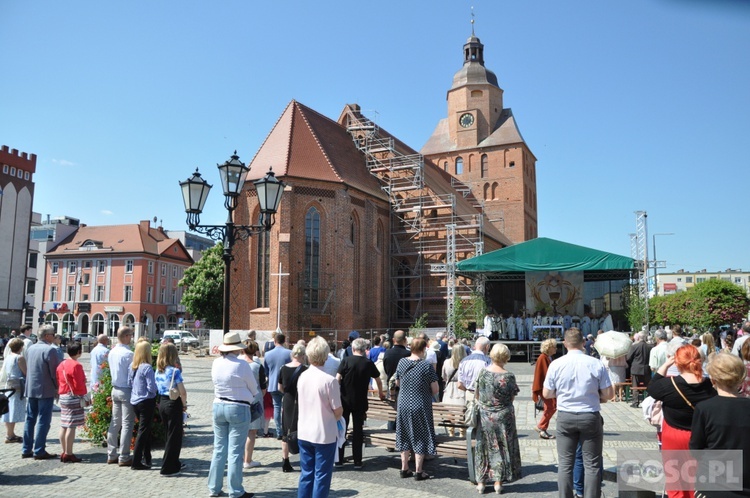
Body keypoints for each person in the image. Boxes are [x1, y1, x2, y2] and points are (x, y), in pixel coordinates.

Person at [543, 328, 614, 498]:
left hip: (566, 415)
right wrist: (597, 396)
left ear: (565, 344)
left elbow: (546, 393)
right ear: (583, 343)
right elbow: (609, 394)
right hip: (589, 414)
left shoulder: (556, 364)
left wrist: (561, 393)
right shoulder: (595, 363)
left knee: (565, 463)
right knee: (592, 464)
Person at [648, 345, 716, 498]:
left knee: (675, 478)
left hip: (674, 435)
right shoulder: (711, 385)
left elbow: (652, 388)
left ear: (677, 363)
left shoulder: (669, 385)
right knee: (699, 476)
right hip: (703, 436)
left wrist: (665, 365)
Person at [689, 353, 750, 496]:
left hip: (712, 484)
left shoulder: (704, 408)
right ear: (741, 378)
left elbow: (696, 449)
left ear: (713, 379)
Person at [207, 332, 259, 498]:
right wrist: (248, 398)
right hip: (238, 407)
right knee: (235, 451)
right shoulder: (242, 365)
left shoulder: (216, 363)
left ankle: (214, 488)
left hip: (218, 405)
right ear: (237, 348)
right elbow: (254, 388)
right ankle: (235, 490)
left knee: (219, 448)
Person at [296, 336, 343, 498]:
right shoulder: (329, 381)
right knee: (322, 476)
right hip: (324, 433)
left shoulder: (302, 376)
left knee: (306, 473)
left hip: (304, 431)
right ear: (325, 355)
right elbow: (337, 410)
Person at [473, 343, 522, 494]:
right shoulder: (508, 376)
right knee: (501, 447)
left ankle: (481, 482)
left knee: (483, 447)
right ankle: (498, 483)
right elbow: (511, 398)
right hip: (503, 417)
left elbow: (477, 395)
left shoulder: (483, 373)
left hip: (485, 416)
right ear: (506, 357)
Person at [336, 337, 385, 468]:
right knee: (358, 430)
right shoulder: (368, 363)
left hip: (344, 400)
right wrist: (380, 393)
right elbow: (378, 380)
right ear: (364, 350)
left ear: (353, 349)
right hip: (360, 401)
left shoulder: (346, 361)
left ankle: (339, 459)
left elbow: (337, 379)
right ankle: (357, 461)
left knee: (342, 430)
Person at [394, 337, 439, 481]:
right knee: (420, 435)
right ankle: (419, 471)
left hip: (403, 403)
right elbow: (435, 389)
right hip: (420, 404)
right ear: (424, 348)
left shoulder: (402, 362)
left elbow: (397, 382)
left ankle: (404, 468)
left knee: (404, 433)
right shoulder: (426, 366)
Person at [21, 324, 61, 460]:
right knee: (43, 420)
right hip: (45, 389)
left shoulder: (31, 348)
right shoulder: (50, 350)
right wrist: (58, 388)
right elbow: (54, 372)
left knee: (30, 419)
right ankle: (39, 450)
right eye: (53, 334)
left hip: (31, 388)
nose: (54, 336)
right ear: (47, 336)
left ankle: (26, 449)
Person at [155, 343, 187, 476]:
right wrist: (184, 404)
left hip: (162, 402)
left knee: (169, 434)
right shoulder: (174, 371)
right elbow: (182, 391)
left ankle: (174, 463)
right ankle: (168, 467)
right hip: (173, 403)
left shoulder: (158, 370)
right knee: (175, 436)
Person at [106, 326, 135, 466]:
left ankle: (111, 454)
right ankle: (124, 456)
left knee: (115, 422)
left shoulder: (112, 352)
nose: (131, 338)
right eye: (130, 335)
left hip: (115, 389)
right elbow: (132, 373)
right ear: (124, 337)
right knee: (127, 424)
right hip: (126, 389)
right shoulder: (128, 354)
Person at [56, 342, 88, 463]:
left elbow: (59, 379)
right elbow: (78, 384)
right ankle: (69, 453)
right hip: (73, 396)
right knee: (71, 425)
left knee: (64, 424)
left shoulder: (61, 364)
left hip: (63, 395)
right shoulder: (76, 365)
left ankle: (64, 451)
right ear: (79, 352)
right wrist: (85, 395)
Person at [279, 342, 307, 472]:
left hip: (288, 401)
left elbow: (280, 387)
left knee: (286, 432)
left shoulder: (283, 368)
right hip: (301, 402)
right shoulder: (305, 369)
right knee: (302, 432)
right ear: (302, 355)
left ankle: (285, 461)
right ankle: (304, 461)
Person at [129, 340, 157, 470]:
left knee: (144, 430)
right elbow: (152, 387)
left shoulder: (133, 366)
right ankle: (136, 461)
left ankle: (147, 456)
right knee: (143, 431)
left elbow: (130, 383)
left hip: (135, 401)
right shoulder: (147, 367)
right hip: (146, 401)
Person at [241, 339, 267, 469]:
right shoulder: (258, 366)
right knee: (252, 432)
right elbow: (263, 388)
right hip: (254, 400)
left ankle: (239, 458)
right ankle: (248, 460)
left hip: (239, 400)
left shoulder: (238, 365)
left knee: (240, 431)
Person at [263, 333, 291, 440]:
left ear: (274, 341)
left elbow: (266, 371)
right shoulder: (289, 353)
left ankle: (279, 432)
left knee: (277, 408)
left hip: (273, 384)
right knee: (286, 408)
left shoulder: (268, 354)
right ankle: (286, 430)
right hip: (286, 384)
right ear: (284, 341)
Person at [2, 338, 27, 443]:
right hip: (17, 387)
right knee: (13, 409)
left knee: (8, 409)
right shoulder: (19, 358)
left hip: (9, 385)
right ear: (20, 347)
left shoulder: (8, 357)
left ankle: (10, 433)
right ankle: (10, 434)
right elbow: (26, 372)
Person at [532, 338, 558, 439]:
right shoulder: (543, 358)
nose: (556, 348)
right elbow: (544, 373)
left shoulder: (548, 357)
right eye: (554, 347)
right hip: (545, 387)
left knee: (550, 407)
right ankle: (541, 426)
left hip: (548, 387)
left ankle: (543, 429)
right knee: (552, 406)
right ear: (549, 348)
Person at [441, 343, 467, 436]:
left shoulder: (446, 362)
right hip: (462, 387)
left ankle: (451, 432)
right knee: (462, 412)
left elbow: (443, 376)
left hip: (449, 388)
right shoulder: (465, 363)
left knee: (450, 411)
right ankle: (462, 432)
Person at [627, 332, 652, 407]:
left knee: (635, 386)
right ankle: (648, 401)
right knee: (647, 386)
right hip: (646, 368)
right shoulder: (650, 347)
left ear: (638, 338)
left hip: (636, 368)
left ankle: (635, 402)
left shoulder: (634, 346)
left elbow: (628, 358)